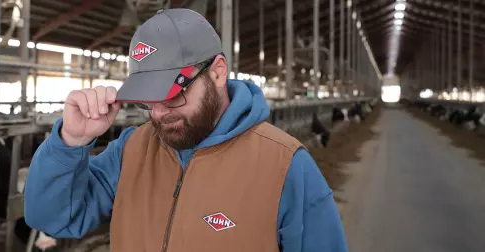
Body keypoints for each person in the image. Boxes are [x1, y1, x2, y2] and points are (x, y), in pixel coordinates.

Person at [24, 8, 348, 252]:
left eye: (174, 94)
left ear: (218, 72)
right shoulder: (132, 149)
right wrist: (70, 142)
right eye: (148, 100)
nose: (160, 113)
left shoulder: (285, 165)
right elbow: (54, 219)